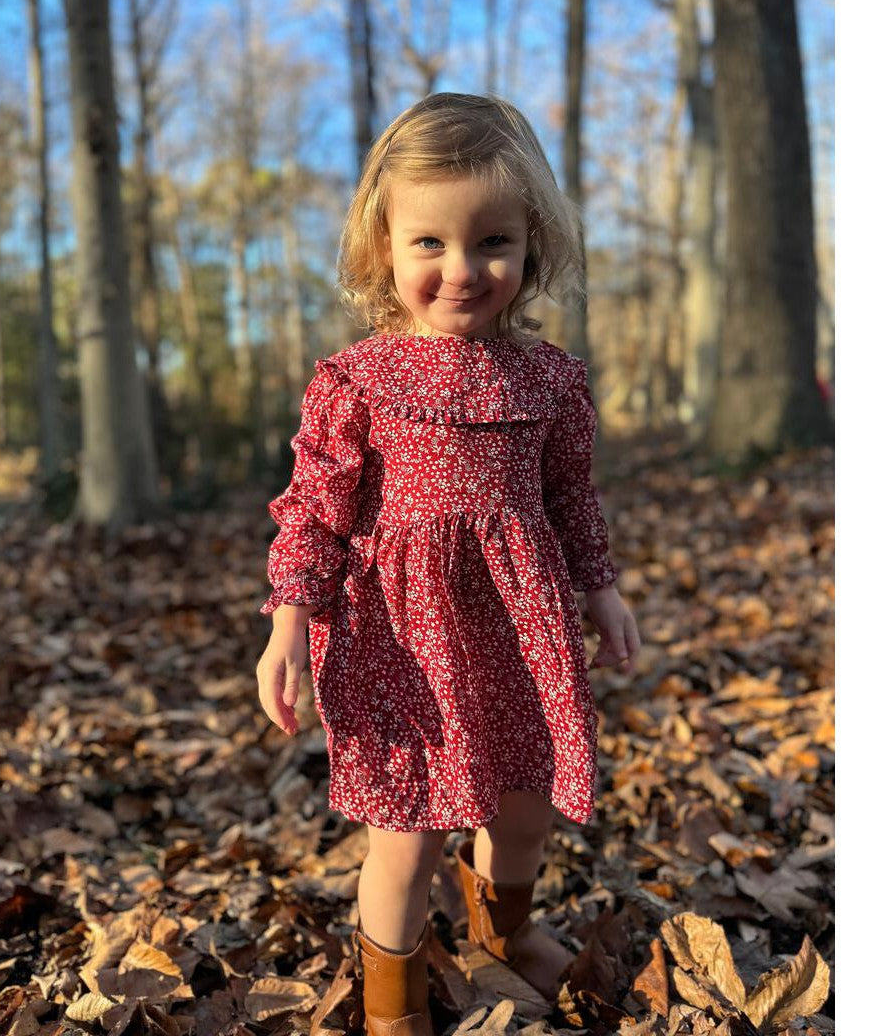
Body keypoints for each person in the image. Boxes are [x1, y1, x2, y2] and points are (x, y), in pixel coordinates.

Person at [255, 93, 641, 1036]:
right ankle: (392, 1003)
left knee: (522, 806)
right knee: (409, 831)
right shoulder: (358, 380)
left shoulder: (550, 379)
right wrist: (289, 623)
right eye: (429, 242)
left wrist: (601, 588)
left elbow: (569, 496)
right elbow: (315, 510)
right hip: (401, 639)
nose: (462, 269)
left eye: (492, 242)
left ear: (533, 243)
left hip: (519, 626)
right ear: (382, 245)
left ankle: (502, 932)